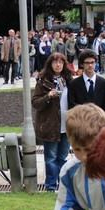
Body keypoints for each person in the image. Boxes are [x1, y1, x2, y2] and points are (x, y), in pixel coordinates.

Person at [32, 53, 73, 191]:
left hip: (66, 126)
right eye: (55, 62)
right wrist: (48, 96)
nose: (58, 65)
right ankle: (50, 186)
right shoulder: (43, 81)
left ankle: (62, 185)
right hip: (50, 126)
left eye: (61, 62)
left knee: (62, 157)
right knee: (51, 158)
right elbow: (35, 103)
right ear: (50, 64)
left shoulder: (69, 80)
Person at [68, 49, 105, 115]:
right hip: (80, 121)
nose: (90, 65)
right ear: (82, 64)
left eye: (92, 62)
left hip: (99, 121)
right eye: (87, 63)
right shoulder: (73, 84)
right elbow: (72, 106)